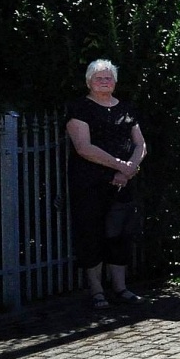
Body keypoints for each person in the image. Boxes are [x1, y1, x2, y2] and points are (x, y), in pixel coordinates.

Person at [64, 59, 147, 308]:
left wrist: (129, 169)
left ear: (115, 82)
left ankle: (120, 287)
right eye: (99, 78)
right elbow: (84, 147)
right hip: (90, 183)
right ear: (88, 81)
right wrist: (119, 165)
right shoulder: (80, 108)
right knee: (91, 233)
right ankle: (97, 290)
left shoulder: (127, 109)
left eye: (108, 78)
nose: (104, 82)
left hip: (123, 182)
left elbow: (140, 144)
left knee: (120, 234)